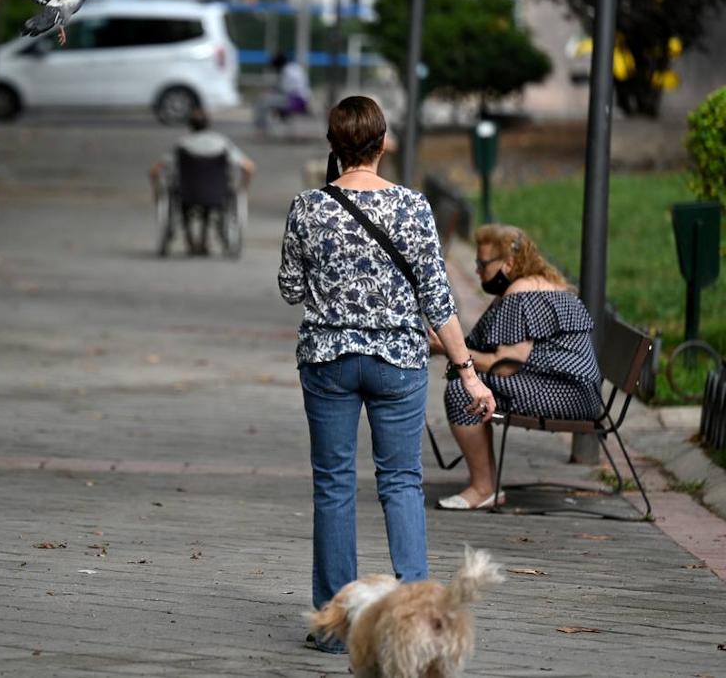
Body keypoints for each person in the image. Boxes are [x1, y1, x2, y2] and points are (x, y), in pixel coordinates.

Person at [277, 96, 495, 653]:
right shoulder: (414, 207)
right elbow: (438, 301)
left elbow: (291, 290)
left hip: (327, 360)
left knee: (334, 485)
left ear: (333, 145)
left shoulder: (307, 207)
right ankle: (417, 623)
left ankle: (335, 628)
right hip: (398, 362)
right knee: (401, 482)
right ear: (381, 144)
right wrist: (467, 371)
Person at [430, 224, 603, 510]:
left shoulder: (521, 294)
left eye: (483, 263)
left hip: (564, 394)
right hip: (579, 392)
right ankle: (485, 484)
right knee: (472, 385)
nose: (477, 271)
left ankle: (483, 488)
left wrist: (449, 351)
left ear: (509, 263)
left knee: (464, 391)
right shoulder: (542, 284)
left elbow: (505, 365)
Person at [150, 108, 255, 255]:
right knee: (212, 201)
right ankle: (203, 241)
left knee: (181, 201)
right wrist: (243, 188)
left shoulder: (182, 144)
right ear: (208, 124)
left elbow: (155, 171)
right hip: (217, 192)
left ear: (190, 125)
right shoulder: (222, 143)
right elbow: (249, 168)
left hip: (186, 192)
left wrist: (157, 192)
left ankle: (191, 241)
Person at [256, 52, 312, 134]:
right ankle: (267, 127)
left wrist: (271, 92)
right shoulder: (295, 67)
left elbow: (285, 91)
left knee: (263, 101)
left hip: (295, 102)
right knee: (268, 100)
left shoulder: (286, 71)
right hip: (304, 100)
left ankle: (261, 130)